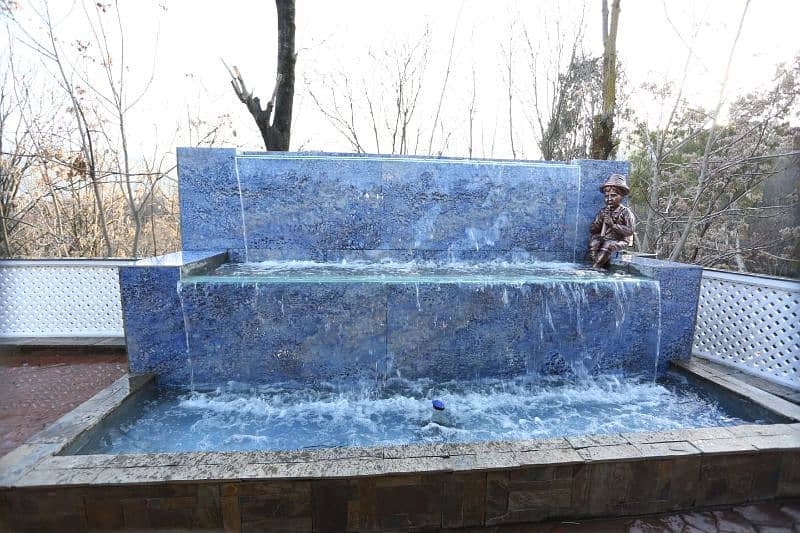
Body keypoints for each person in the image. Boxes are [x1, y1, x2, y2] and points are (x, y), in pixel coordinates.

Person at [589, 173, 635, 268]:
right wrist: (600, 221)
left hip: (620, 240)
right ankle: (597, 263)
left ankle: (596, 267)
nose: (609, 199)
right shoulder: (603, 211)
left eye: (613, 196)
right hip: (605, 237)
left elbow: (630, 230)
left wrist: (612, 225)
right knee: (594, 243)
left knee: (608, 245)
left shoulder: (626, 212)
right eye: (606, 196)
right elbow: (592, 229)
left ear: (621, 196)